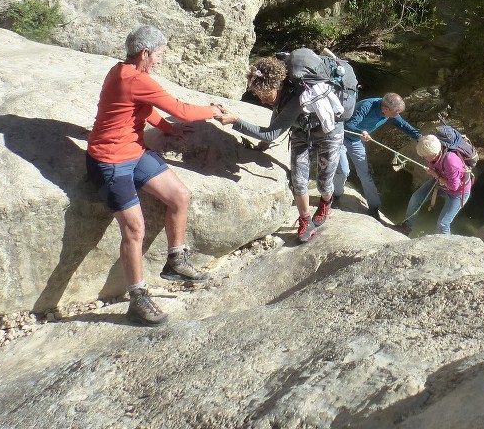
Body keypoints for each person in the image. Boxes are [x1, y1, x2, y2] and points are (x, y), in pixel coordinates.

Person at [85, 25, 217, 326]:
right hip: (109, 161)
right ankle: (138, 297)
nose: (159, 61)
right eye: (157, 55)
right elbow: (181, 109)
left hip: (134, 152)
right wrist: (214, 111)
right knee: (134, 229)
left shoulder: (125, 72)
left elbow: (142, 109)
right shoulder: (132, 78)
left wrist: (169, 129)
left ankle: (176, 260)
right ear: (144, 53)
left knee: (180, 196)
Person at [213, 56, 343, 242]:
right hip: (301, 130)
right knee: (298, 180)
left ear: (279, 86)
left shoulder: (296, 98)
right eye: (258, 94)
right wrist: (263, 145)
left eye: (266, 94)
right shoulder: (282, 95)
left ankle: (325, 202)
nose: (263, 99)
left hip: (329, 131)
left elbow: (271, 133)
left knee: (324, 182)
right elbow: (277, 117)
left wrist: (236, 121)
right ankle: (305, 219)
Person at [333, 93, 421, 220]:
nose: (397, 115)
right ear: (386, 109)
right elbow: (348, 125)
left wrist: (419, 137)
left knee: (365, 175)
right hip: (341, 136)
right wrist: (361, 132)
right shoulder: (366, 106)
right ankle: (336, 196)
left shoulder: (389, 111)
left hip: (356, 141)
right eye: (396, 113)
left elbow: (402, 125)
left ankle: (374, 208)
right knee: (344, 170)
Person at [401, 134, 472, 236]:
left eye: (424, 156)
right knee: (416, 198)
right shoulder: (437, 151)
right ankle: (406, 227)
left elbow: (454, 186)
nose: (423, 158)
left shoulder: (451, 161)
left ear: (433, 154)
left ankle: (444, 246)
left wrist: (435, 175)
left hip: (458, 192)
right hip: (440, 182)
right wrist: (435, 173)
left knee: (443, 224)